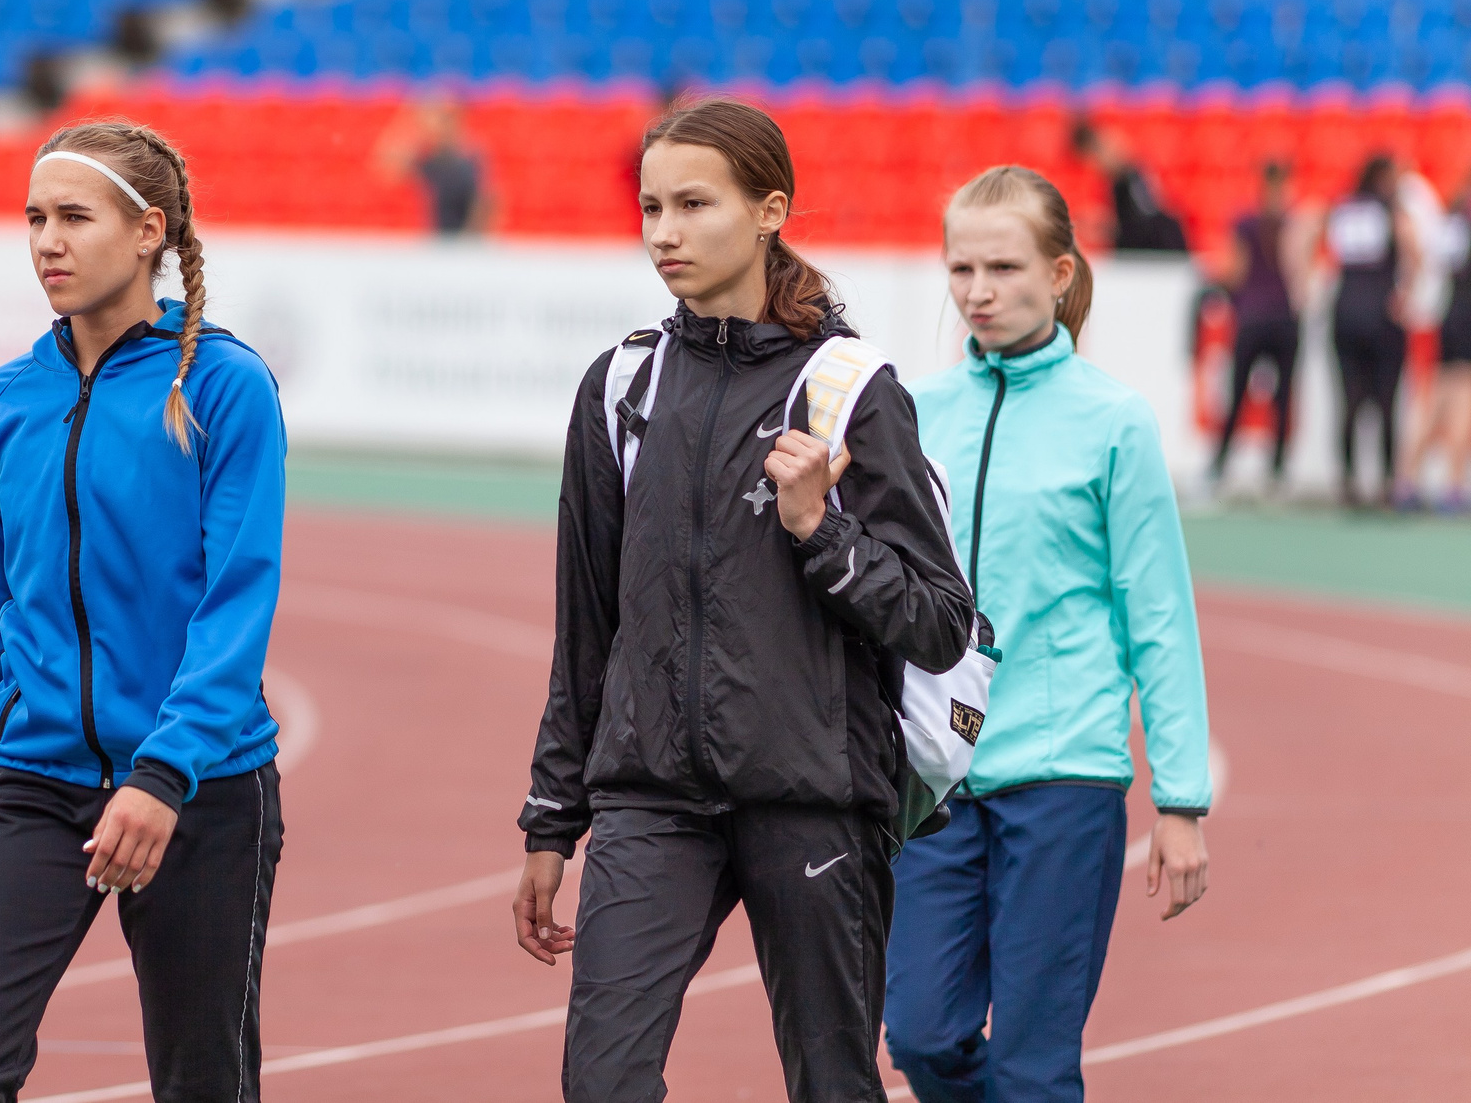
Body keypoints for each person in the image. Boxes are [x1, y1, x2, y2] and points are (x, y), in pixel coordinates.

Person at [514, 97, 974, 1103]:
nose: (664, 233)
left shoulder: (848, 389)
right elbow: (586, 625)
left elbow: (939, 620)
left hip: (814, 799)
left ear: (771, 211)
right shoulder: (621, 387)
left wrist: (820, 531)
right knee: (601, 1085)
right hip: (649, 797)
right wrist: (552, 822)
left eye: (694, 204)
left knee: (833, 1086)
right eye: (651, 207)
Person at [0, 121, 287, 1103]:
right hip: (30, 782)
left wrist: (163, 773)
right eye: (35, 218)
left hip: (199, 786)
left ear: (147, 230)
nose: (48, 241)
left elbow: (236, 600)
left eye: (74, 217)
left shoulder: (224, 386)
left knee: (203, 1083)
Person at [883, 165, 1212, 1103]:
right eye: (961, 269)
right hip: (935, 777)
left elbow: (1159, 615)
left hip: (1065, 774)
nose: (977, 291)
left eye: (1003, 268)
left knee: (1033, 1065)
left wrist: (1181, 799)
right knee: (922, 1034)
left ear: (1060, 272)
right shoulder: (915, 412)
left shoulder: (1114, 421)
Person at [1323, 152, 1421, 508]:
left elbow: (1306, 231)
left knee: (1349, 400)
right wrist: (1405, 292)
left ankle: (1348, 480)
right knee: (1386, 401)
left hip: (1345, 311)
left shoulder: (1343, 207)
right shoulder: (1391, 209)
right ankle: (1386, 483)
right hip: (1381, 316)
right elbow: (1415, 250)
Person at [1208, 159, 1308, 493]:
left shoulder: (1248, 225)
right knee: (1282, 395)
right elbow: (1303, 274)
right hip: (1283, 317)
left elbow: (1234, 270)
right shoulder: (1291, 225)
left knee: (1238, 392)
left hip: (1253, 316)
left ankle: (1221, 463)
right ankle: (1276, 468)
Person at [1400, 182, 1471, 511]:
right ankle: (1452, 486)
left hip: (1450, 316)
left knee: (1436, 399)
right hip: (1465, 319)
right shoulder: (1457, 226)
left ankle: (1407, 481)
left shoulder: (1450, 226)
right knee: (1462, 403)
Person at [375, 93, 492, 234]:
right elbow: (389, 168)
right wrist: (411, 122)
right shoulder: (432, 158)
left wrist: (472, 238)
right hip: (438, 238)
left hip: (464, 239)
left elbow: (487, 200)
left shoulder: (471, 157)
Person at [1068, 121, 1189, 253]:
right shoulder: (1119, 184)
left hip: (1160, 253)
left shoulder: (1134, 178)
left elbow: (1146, 228)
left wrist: (1108, 229)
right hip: (1142, 254)